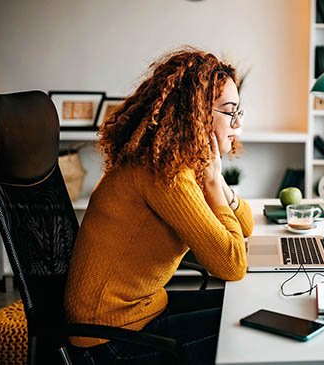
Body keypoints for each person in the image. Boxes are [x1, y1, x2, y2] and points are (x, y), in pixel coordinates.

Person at [64, 47, 253, 364]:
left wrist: (216, 178)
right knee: (251, 333)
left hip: (141, 312)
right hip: (108, 341)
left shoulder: (179, 163)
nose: (238, 125)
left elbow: (245, 226)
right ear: (196, 114)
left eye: (239, 113)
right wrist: (211, 181)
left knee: (248, 310)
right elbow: (232, 265)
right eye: (230, 112)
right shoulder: (163, 174)